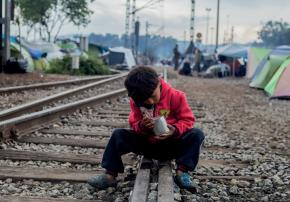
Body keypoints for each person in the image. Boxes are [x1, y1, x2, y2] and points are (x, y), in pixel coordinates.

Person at [87, 66, 205, 193]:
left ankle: (182, 172)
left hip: (171, 145)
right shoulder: (136, 101)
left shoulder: (177, 96)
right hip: (147, 145)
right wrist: (142, 126)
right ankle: (110, 175)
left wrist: (175, 130)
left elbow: (188, 120)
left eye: (153, 96)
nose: (149, 101)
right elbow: (133, 123)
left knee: (197, 134)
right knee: (118, 134)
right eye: (145, 100)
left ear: (159, 82)